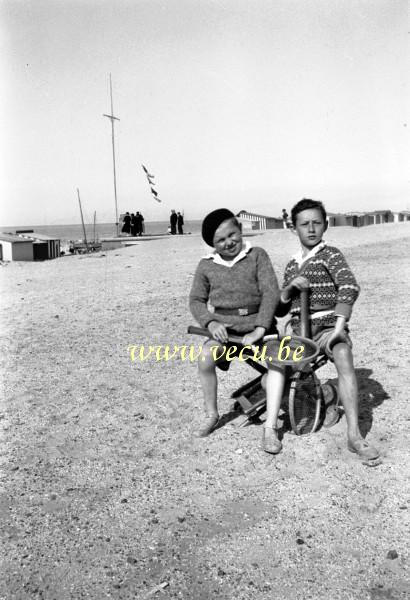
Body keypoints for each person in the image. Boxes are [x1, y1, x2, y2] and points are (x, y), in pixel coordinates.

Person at [268, 198, 379, 460]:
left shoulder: (331, 255)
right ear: (293, 228)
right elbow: (281, 310)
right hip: (299, 332)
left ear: (326, 225)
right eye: (304, 224)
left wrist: (340, 326)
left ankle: (354, 435)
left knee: (343, 355)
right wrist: (288, 289)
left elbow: (349, 286)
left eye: (317, 223)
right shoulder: (292, 264)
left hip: (329, 325)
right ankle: (327, 395)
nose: (311, 229)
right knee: (277, 375)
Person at [189, 208, 281, 438]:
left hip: (261, 330)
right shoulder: (206, 265)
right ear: (212, 243)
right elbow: (196, 300)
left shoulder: (257, 255)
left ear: (240, 230)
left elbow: (271, 293)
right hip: (225, 334)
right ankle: (211, 413)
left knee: (278, 365)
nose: (229, 243)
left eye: (232, 235)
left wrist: (260, 329)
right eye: (220, 240)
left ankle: (270, 423)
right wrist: (210, 323)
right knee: (205, 358)